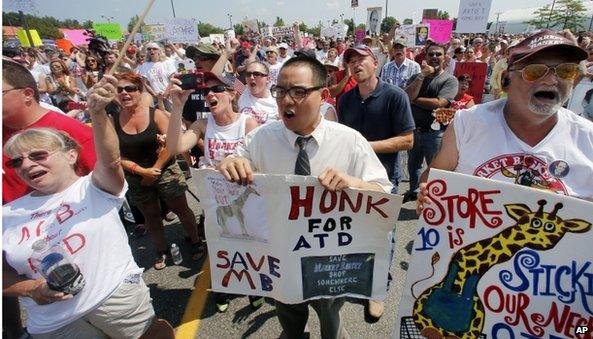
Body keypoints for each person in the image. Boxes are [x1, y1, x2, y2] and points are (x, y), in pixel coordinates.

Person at [218, 55, 392, 339]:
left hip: (330, 260)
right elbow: (233, 164)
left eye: (298, 92)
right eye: (281, 91)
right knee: (290, 319)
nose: (287, 100)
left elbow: (385, 196)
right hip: (279, 257)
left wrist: (354, 183)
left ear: (323, 96)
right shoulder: (260, 139)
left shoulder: (350, 141)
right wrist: (229, 164)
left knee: (331, 322)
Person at [2, 74, 175, 338]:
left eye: (38, 156)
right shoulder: (7, 214)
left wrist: (97, 112)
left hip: (114, 302)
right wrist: (31, 289)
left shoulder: (92, 188)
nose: (26, 165)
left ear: (72, 154)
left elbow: (110, 159)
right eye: (17, 162)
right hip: (54, 323)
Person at [416, 29, 593, 217]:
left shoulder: (588, 139)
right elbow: (432, 179)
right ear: (506, 80)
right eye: (535, 71)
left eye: (565, 71)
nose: (551, 80)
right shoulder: (467, 123)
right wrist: (427, 196)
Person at [166, 71, 258, 312]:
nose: (209, 95)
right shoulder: (202, 124)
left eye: (216, 90)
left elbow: (257, 164)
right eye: (206, 92)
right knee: (220, 249)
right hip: (215, 202)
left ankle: (253, 287)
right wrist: (177, 107)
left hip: (243, 202)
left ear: (230, 94)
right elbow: (175, 147)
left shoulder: (247, 123)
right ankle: (224, 287)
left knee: (249, 247)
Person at [338, 44, 414, 320]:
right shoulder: (345, 100)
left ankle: (378, 291)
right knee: (355, 232)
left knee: (384, 237)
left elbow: (408, 140)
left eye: (361, 59)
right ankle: (357, 278)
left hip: (384, 179)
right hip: (352, 180)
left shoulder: (395, 96)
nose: (356, 64)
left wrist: (367, 147)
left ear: (375, 62)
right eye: (351, 61)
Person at [110, 71, 204, 270]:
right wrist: (140, 172)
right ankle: (161, 250)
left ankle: (195, 241)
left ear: (139, 91)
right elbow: (114, 154)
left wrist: (154, 169)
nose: (124, 93)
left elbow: (172, 144)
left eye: (129, 89)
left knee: (180, 208)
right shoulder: (113, 120)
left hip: (165, 170)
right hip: (136, 177)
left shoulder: (157, 115)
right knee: (151, 215)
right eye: (120, 90)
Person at [403, 43, 459, 203]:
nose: (434, 57)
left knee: (434, 169)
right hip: (414, 130)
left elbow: (439, 103)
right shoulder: (417, 77)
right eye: (431, 54)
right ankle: (415, 192)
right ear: (425, 57)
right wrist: (421, 76)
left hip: (435, 133)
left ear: (444, 57)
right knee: (413, 167)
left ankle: (433, 199)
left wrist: (414, 100)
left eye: (438, 54)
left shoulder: (450, 80)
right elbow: (405, 96)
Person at [136, 42, 177, 111]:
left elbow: (172, 80)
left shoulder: (167, 62)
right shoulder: (145, 65)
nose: (152, 51)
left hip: (169, 97)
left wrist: (166, 93)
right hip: (155, 98)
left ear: (159, 50)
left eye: (154, 49)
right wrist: (155, 95)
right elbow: (146, 83)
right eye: (149, 49)